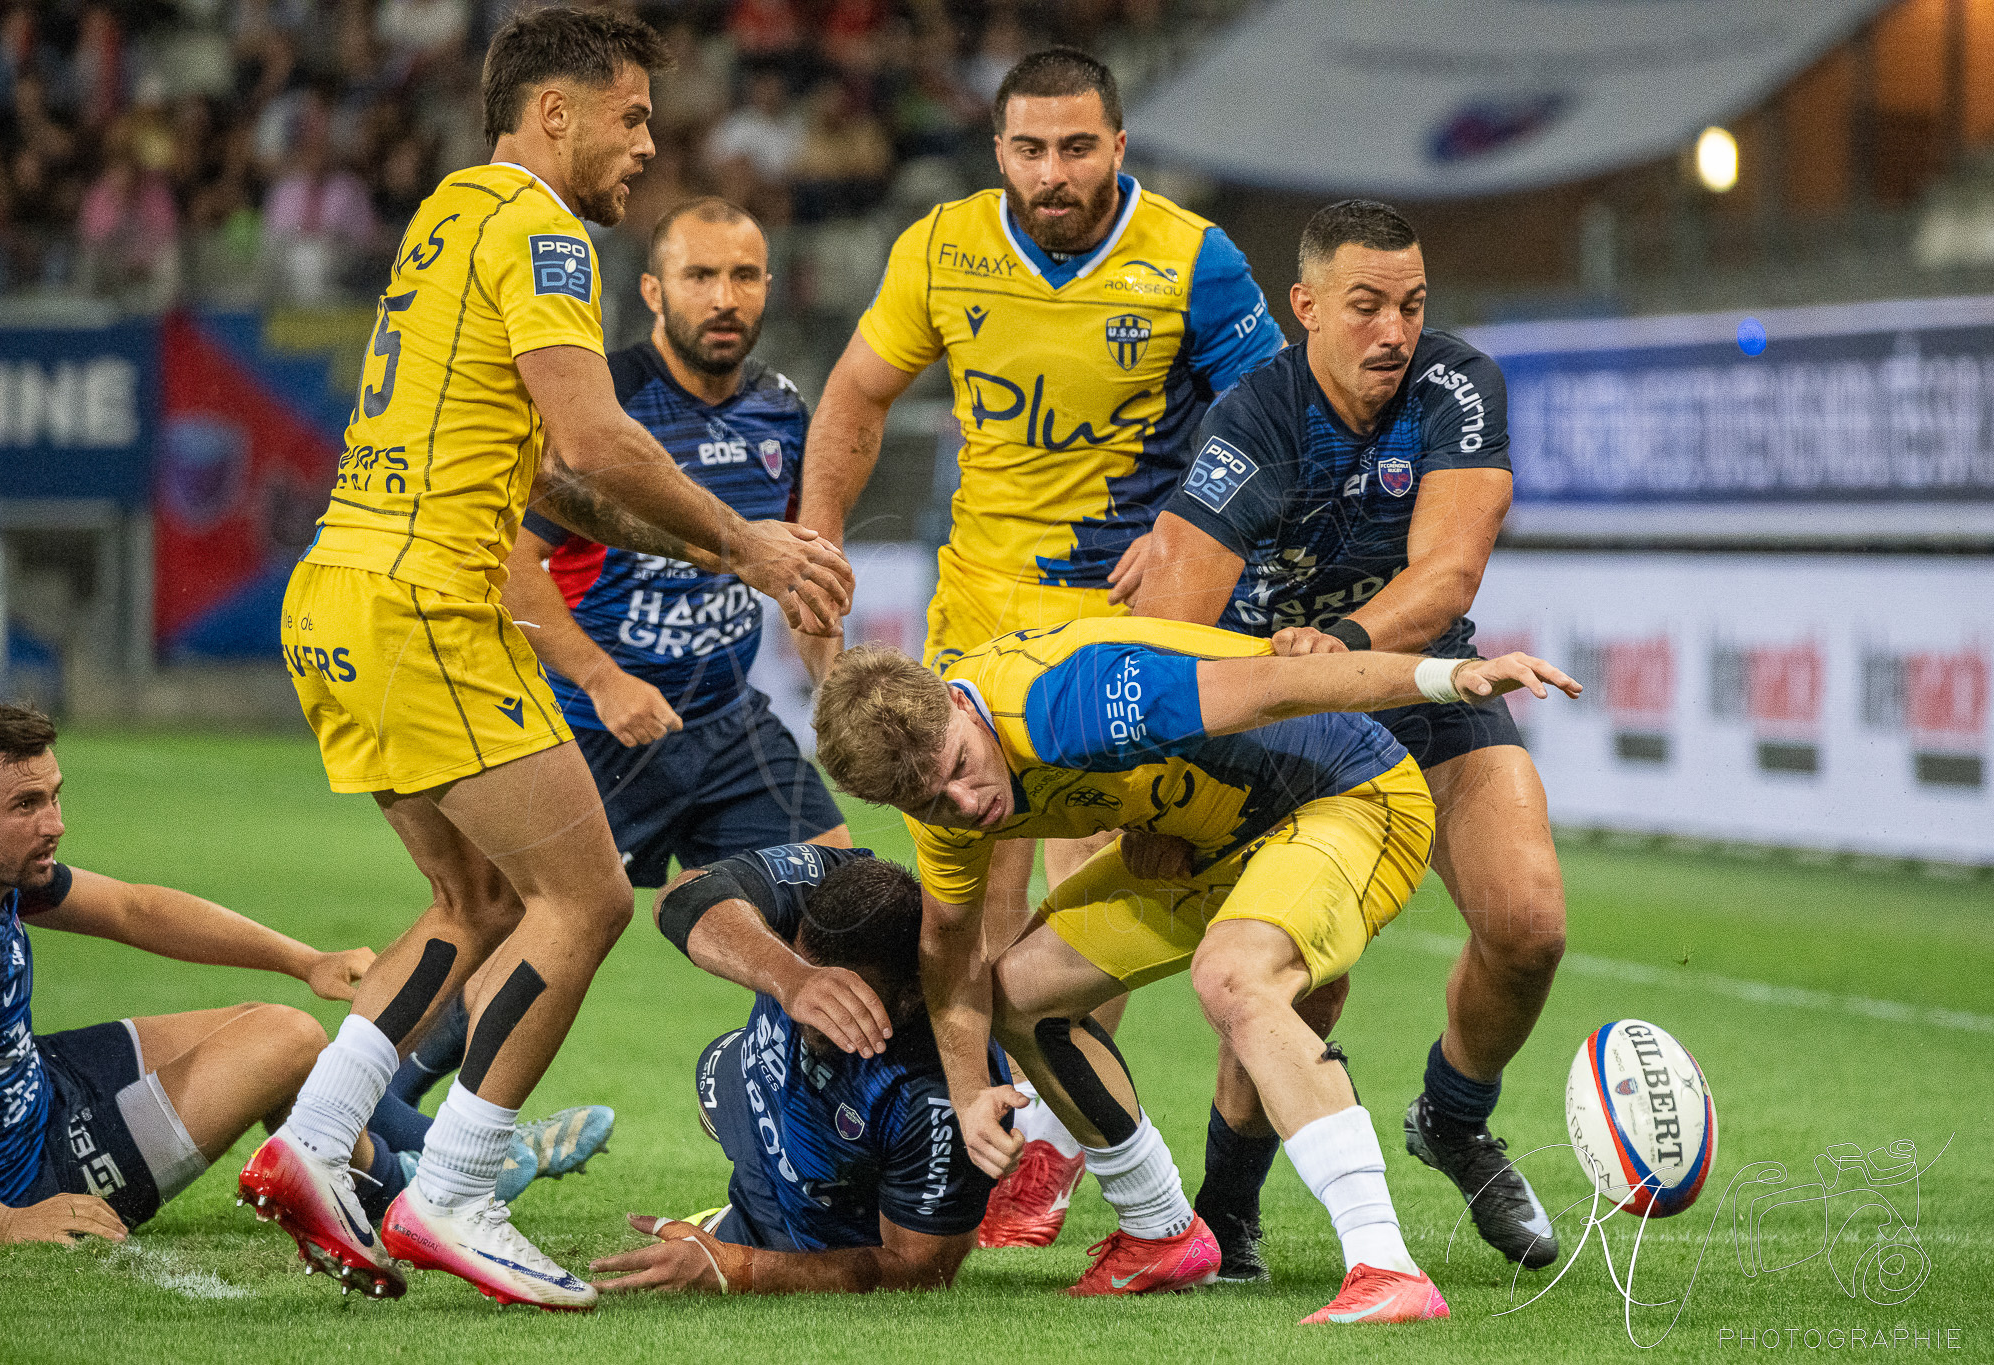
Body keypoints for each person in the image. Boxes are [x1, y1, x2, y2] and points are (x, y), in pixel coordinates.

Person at [242, 8, 852, 1312]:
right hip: (428, 605)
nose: (648, 145)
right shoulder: (540, 227)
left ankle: (309, 1144)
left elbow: (557, 484)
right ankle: (452, 1190)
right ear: (555, 111)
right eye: (632, 116)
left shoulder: (448, 215)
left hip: (339, 597)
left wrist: (722, 558)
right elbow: (597, 436)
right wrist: (747, 533)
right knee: (583, 904)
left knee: (475, 907)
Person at [799, 46, 1283, 1247]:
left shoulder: (1190, 260)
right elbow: (857, 395)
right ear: (997, 150)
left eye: (1076, 147)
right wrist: (814, 539)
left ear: (1118, 146)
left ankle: (1076, 1157)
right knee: (963, 911)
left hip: (1117, 631)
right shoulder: (942, 249)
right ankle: (1002, 1129)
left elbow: (1275, 423)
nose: (1051, 172)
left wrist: (1188, 526)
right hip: (971, 625)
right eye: (1028, 148)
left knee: (1093, 897)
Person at [810, 618, 1580, 1323]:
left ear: (959, 702)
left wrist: (1444, 678)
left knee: (1233, 974)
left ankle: (1386, 1264)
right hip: (1205, 838)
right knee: (1017, 997)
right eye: (929, 802)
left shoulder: (1070, 700)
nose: (966, 803)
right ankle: (1162, 1232)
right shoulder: (935, 784)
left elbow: (1279, 685)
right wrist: (972, 1092)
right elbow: (950, 954)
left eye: (962, 768)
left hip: (1347, 794)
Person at [1110, 200, 1566, 1275]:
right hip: (1283, 711)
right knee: (1300, 977)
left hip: (1419, 679)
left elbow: (1447, 576)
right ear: (1303, 308)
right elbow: (1169, 623)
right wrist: (1153, 796)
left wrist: (1347, 644)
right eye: (1363, 306)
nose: (1392, 331)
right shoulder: (1251, 422)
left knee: (1530, 923)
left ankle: (1451, 1119)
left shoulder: (1456, 386)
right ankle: (1226, 1216)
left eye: (1409, 305)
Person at [379, 196, 851, 1158]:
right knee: (512, 926)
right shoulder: (606, 406)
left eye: (745, 275)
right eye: (700, 275)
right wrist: (600, 679)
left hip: (725, 724)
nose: (725, 298)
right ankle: (377, 1117)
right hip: (593, 728)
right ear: (650, 291)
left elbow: (794, 571)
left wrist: (839, 690)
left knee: (844, 907)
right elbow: (510, 559)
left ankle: (810, 1139)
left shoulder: (783, 408)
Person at [0, 699, 378, 1250]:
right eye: (26, 805)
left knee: (255, 1028)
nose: (55, 824)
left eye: (54, 795)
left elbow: (134, 911)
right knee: (289, 1038)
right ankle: (407, 1187)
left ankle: (396, 1174)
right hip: (20, 1178)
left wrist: (307, 961)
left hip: (39, 1083)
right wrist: (3, 1223)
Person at [584, 844, 1004, 1294]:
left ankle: (745, 1227)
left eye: (844, 1004)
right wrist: (791, 977)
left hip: (817, 1236)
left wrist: (738, 1269)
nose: (808, 1015)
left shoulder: (936, 1094)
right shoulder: (827, 880)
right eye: (815, 984)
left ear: (909, 996)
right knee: (719, 1067)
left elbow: (920, 1270)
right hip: (750, 1092)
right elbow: (684, 894)